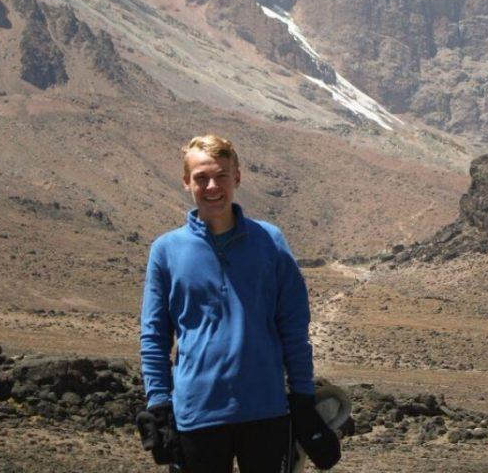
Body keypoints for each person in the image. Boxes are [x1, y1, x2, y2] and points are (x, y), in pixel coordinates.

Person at [139, 134, 338, 473]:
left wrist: (303, 399)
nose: (212, 186)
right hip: (195, 416)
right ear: (186, 182)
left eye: (221, 176)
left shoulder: (270, 242)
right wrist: (159, 405)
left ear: (238, 177)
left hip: (266, 414)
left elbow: (293, 327)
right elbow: (154, 337)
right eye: (201, 178)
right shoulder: (166, 251)